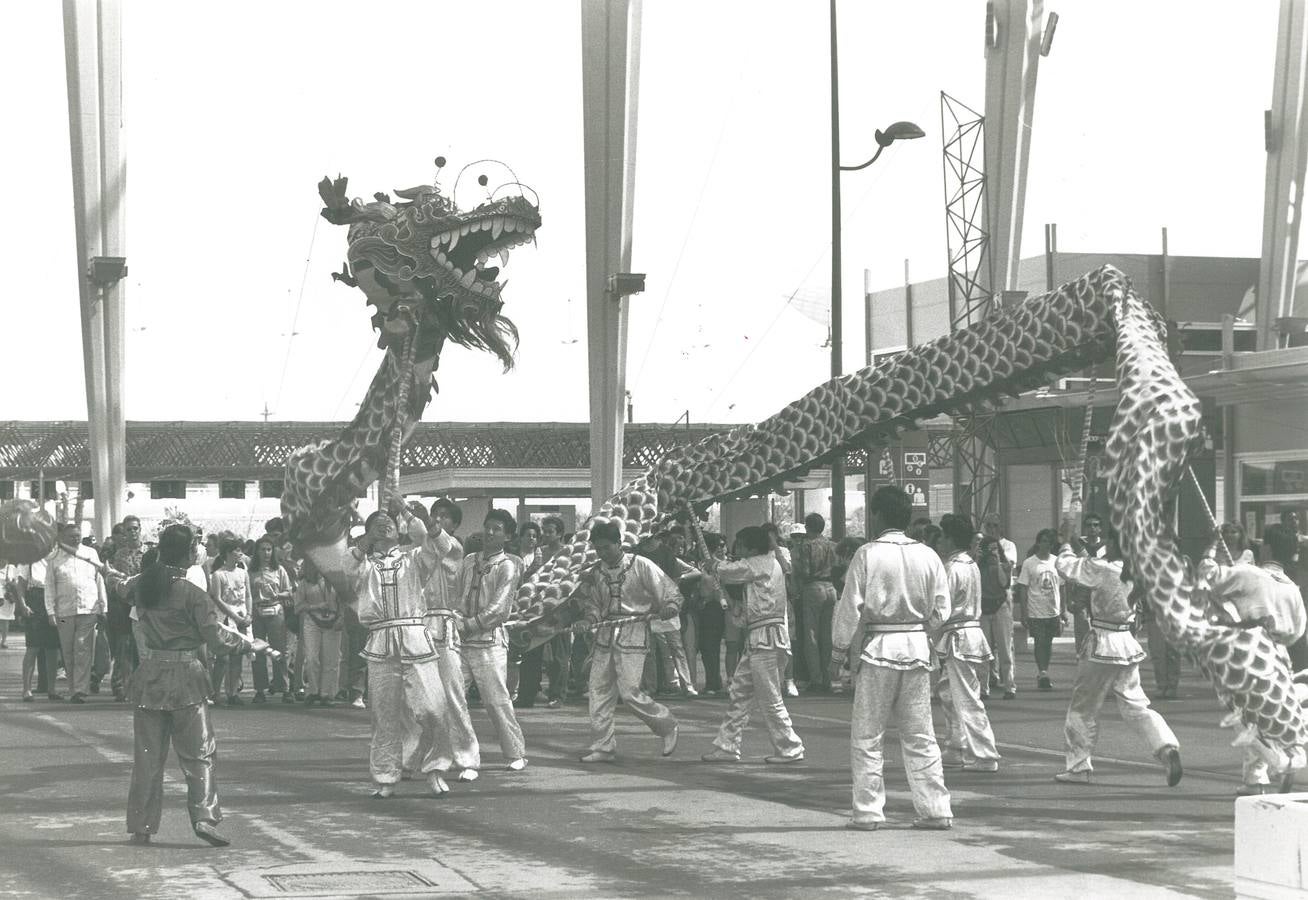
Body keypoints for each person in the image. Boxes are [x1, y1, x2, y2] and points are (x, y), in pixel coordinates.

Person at [126, 524, 268, 846]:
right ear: (189, 553)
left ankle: (141, 824)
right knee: (199, 754)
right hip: (186, 677)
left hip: (151, 676)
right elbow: (216, 639)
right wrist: (249, 645)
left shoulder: (142, 587)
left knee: (147, 757)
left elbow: (120, 585)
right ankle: (204, 817)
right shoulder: (192, 595)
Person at [831, 486, 953, 831]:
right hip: (916, 648)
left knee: (868, 733)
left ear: (877, 515)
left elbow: (849, 606)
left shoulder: (867, 554)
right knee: (920, 734)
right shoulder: (929, 555)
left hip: (878, 648)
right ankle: (936, 809)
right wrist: (921, 629)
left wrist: (838, 650)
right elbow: (943, 610)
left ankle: (869, 812)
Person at [1052, 528, 1182, 787]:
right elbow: (1092, 567)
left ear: (1113, 543)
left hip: (1102, 641)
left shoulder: (1102, 568)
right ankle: (1166, 746)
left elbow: (1065, 566)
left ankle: (1079, 766)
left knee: (1083, 708)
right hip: (1126, 641)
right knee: (1137, 706)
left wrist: (1065, 543)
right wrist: (1084, 551)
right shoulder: (1135, 570)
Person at [341, 501, 454, 798]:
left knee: (433, 708)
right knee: (384, 714)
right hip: (380, 641)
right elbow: (348, 566)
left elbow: (442, 546)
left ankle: (436, 767)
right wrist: (366, 539)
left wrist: (420, 516)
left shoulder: (413, 558)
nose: (384, 523)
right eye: (377, 522)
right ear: (367, 533)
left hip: (415, 637)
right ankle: (385, 775)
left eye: (388, 521)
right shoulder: (363, 563)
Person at [572, 519, 682, 762]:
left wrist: (670, 606)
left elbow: (670, 592)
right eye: (598, 549)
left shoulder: (640, 564)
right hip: (604, 635)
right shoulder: (597, 572)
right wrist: (587, 620)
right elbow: (593, 605)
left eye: (606, 548)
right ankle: (603, 745)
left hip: (633, 631)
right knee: (598, 690)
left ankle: (667, 724)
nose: (602, 553)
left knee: (630, 692)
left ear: (619, 543)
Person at [701, 525, 805, 763]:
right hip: (761, 638)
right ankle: (727, 746)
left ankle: (790, 747)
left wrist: (713, 564)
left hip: (766, 640)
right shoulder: (766, 564)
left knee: (770, 698)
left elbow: (730, 571)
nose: (737, 549)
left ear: (750, 546)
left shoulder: (759, 563)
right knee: (740, 692)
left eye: (740, 544)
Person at [455, 509, 528, 773]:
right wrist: (456, 618)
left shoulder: (508, 565)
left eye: (497, 529)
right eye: (487, 527)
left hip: (489, 643)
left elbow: (500, 609)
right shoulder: (468, 561)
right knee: (453, 700)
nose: (489, 532)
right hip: (460, 642)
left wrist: (469, 625)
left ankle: (515, 753)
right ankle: (466, 757)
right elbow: (457, 594)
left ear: (507, 536)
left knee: (496, 701)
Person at [932, 514, 1001, 772]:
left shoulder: (952, 567)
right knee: (949, 694)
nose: (939, 541)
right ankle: (956, 745)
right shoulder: (970, 563)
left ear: (950, 539)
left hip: (958, 634)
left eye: (942, 536)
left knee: (966, 698)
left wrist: (927, 629)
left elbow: (941, 607)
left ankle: (984, 754)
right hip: (967, 633)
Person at [46, 521, 108, 703]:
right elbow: (49, 586)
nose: (75, 538)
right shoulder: (54, 558)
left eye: (77, 535)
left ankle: (80, 690)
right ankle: (73, 687)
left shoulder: (90, 554)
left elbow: (99, 581)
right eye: (71, 536)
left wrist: (104, 607)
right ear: (63, 538)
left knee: (83, 649)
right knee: (68, 651)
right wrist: (50, 611)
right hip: (64, 611)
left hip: (89, 608)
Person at [793, 513, 838, 694]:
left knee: (811, 635)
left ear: (808, 527)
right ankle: (828, 677)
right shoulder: (832, 545)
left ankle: (816, 678)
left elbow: (805, 570)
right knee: (827, 636)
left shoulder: (807, 546)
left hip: (813, 587)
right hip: (831, 588)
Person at [1015, 528, 1065, 690]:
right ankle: (1042, 672)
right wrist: (1024, 612)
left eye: (1049, 542)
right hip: (1035, 609)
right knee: (1039, 641)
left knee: (1048, 642)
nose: (1046, 544)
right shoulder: (1030, 563)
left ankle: (1045, 669)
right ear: (1038, 543)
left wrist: (1063, 610)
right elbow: (1023, 588)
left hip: (1053, 609)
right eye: (1043, 541)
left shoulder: (1057, 562)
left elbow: (1062, 587)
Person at [246, 537, 292, 704]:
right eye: (262, 549)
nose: (266, 553)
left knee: (279, 651)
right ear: (257, 551)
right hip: (257, 612)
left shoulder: (279, 570)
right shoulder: (250, 572)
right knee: (258, 651)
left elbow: (289, 591)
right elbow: (247, 594)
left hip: (275, 611)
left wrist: (277, 595)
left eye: (269, 549)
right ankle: (260, 690)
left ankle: (284, 688)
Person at [294, 556, 344, 707]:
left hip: (333, 622)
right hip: (312, 622)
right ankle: (313, 691)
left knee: (331, 659)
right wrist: (316, 606)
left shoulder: (336, 581)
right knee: (311, 658)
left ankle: (327, 694)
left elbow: (344, 601)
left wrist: (341, 618)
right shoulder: (304, 583)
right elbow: (298, 607)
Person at [208, 538, 252, 706]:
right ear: (228, 552)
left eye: (241, 550)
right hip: (225, 618)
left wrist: (249, 614)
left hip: (242, 616)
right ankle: (214, 693)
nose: (240, 553)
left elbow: (248, 595)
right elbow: (217, 598)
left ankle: (232, 692)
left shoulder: (243, 572)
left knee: (238, 656)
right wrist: (235, 616)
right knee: (223, 657)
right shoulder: (218, 574)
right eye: (237, 550)